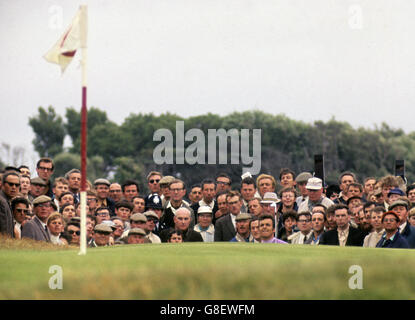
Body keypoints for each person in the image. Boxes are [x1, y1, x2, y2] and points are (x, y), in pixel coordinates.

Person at [0, 172, 20, 237]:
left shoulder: (5, 201)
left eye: (17, 185)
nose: (14, 187)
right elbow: (4, 231)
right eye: (11, 184)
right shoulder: (1, 202)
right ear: (2, 184)